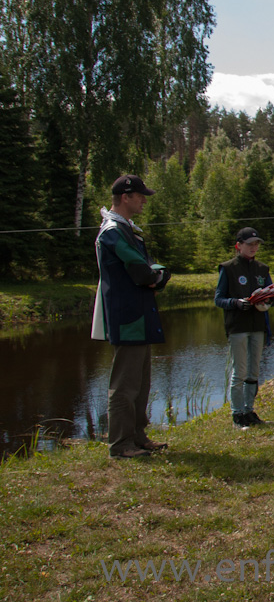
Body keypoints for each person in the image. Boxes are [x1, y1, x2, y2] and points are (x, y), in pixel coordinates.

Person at [91, 175, 170, 459]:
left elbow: (149, 268)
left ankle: (137, 436)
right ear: (125, 197)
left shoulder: (125, 229)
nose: (144, 201)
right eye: (140, 196)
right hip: (127, 317)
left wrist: (155, 274)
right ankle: (120, 444)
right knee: (125, 384)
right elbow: (142, 270)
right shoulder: (113, 231)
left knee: (141, 382)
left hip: (139, 314)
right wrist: (156, 275)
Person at [214, 227, 274, 429]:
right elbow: (218, 299)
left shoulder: (262, 269)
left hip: (257, 325)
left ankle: (249, 410)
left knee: (253, 371)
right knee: (239, 371)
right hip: (238, 327)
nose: (253, 247)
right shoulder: (228, 268)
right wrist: (236, 302)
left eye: (256, 244)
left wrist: (267, 301)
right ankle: (237, 414)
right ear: (238, 245)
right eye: (249, 244)